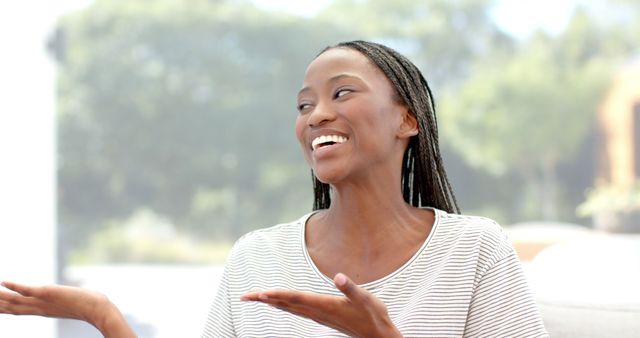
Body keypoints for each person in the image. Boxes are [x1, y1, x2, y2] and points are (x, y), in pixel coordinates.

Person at [0, 40, 548, 337]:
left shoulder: (474, 250)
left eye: (342, 93)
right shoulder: (257, 256)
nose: (317, 115)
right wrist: (104, 317)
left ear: (407, 120)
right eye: (305, 104)